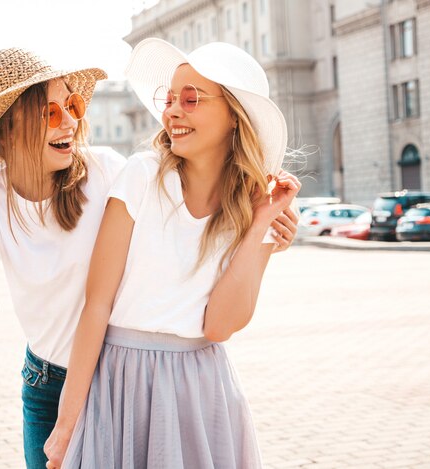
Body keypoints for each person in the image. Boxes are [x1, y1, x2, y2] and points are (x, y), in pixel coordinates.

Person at [44, 38, 301, 468]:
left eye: (191, 98)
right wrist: (67, 424)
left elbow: (219, 326)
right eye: (170, 99)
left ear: (234, 118)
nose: (172, 111)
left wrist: (260, 233)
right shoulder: (141, 177)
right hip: (123, 381)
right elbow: (97, 305)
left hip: (202, 388)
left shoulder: (248, 209)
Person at [0, 48, 127, 468]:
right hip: (47, 388)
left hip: (120, 377)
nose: (71, 122)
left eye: (72, 105)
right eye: (50, 113)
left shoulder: (108, 172)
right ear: (8, 130)